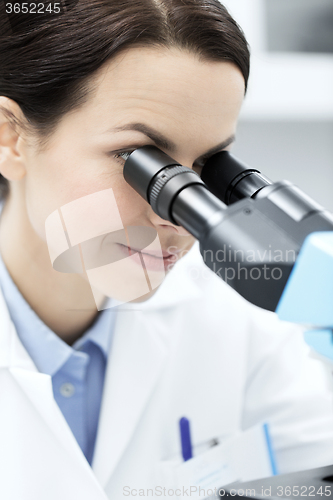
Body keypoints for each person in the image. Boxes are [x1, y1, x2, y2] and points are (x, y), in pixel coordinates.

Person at [0, 1, 333, 498]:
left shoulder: (243, 326)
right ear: (10, 138)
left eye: (205, 168)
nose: (172, 215)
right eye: (137, 159)